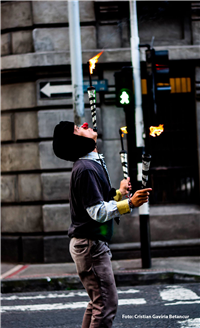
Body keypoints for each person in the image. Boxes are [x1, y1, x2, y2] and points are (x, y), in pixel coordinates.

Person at [53, 121, 152, 328]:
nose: (85, 124)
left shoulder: (91, 163)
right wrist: (130, 203)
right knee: (106, 305)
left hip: (90, 244)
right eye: (78, 128)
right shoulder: (86, 168)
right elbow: (96, 211)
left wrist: (119, 193)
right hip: (90, 246)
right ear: (77, 139)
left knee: (98, 303)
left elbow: (97, 200)